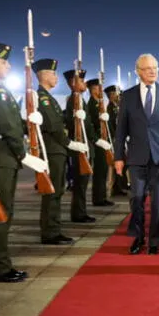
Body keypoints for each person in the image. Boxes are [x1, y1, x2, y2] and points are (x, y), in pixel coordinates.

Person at [0, 42, 49, 283]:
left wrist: (27, 123)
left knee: (5, 211)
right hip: (1, 156)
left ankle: (1, 263)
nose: (8, 65)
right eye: (3, 61)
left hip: (5, 155)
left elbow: (12, 123)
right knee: (0, 212)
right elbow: (7, 126)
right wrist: (23, 153)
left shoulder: (0, 90)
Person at [114, 53, 159, 255]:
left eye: (155, 67)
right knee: (136, 198)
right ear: (138, 72)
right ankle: (138, 237)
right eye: (147, 68)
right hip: (136, 158)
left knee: (158, 202)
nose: (153, 71)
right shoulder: (127, 96)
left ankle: (154, 240)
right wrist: (118, 157)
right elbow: (121, 131)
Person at [33, 58, 88, 245]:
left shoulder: (49, 98)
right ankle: (50, 232)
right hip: (53, 150)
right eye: (53, 73)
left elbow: (60, 121)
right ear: (44, 75)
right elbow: (54, 126)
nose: (56, 77)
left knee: (57, 191)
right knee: (52, 192)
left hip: (57, 150)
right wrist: (69, 143)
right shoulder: (42, 98)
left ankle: (53, 229)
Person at [63, 69, 98, 223]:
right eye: (81, 81)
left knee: (83, 182)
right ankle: (78, 213)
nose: (84, 84)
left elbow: (88, 124)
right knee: (79, 182)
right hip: (78, 146)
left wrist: (95, 140)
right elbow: (71, 123)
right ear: (73, 83)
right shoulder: (73, 100)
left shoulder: (80, 99)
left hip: (84, 144)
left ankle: (81, 211)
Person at [86, 78, 115, 207]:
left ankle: (102, 196)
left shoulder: (99, 103)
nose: (101, 90)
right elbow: (92, 123)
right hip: (98, 142)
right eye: (98, 88)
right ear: (93, 89)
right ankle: (98, 198)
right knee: (99, 171)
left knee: (103, 170)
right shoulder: (92, 104)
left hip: (104, 140)